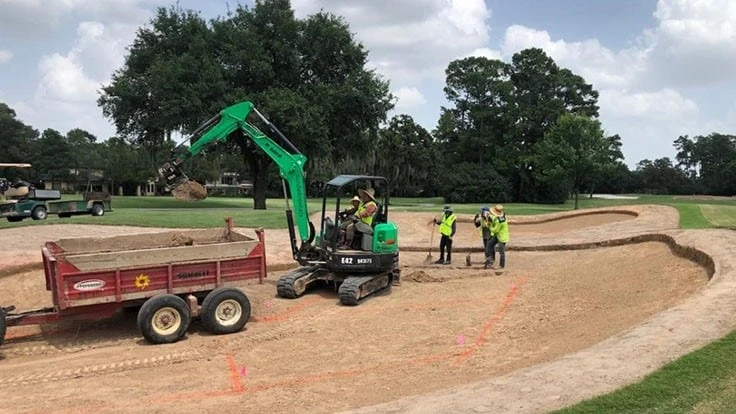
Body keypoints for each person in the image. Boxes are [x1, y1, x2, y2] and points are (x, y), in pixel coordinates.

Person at [485, 204, 509, 270]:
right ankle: (490, 259)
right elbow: (494, 218)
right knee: (490, 244)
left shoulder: (500, 221)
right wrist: (488, 216)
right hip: (498, 236)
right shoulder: (499, 218)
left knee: (501, 252)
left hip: (502, 238)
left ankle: (501, 265)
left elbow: (495, 230)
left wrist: (489, 226)